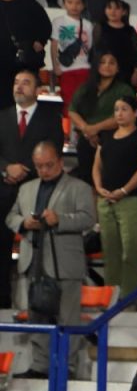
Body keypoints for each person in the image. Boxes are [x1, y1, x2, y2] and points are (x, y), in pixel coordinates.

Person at [4, 141, 93, 376]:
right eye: (39, 166)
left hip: (65, 263)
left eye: (49, 165)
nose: (44, 170)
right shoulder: (26, 188)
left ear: (60, 162)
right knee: (36, 315)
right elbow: (11, 216)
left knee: (68, 318)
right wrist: (24, 223)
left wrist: (60, 219)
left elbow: (88, 219)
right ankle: (40, 365)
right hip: (33, 260)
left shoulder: (79, 187)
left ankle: (68, 367)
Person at [0, 67, 65, 308]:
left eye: (26, 82)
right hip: (4, 189)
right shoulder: (3, 116)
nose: (19, 86)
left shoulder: (50, 119)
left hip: (36, 189)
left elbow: (55, 148)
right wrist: (7, 169)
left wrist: (25, 169)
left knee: (38, 248)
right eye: (16, 82)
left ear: (38, 90)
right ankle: (2, 301)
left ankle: (38, 302)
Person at [91, 96, 137, 305]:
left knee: (130, 252)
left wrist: (124, 190)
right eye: (116, 109)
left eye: (124, 109)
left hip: (131, 200)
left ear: (135, 113)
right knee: (110, 252)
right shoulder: (106, 137)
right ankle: (110, 298)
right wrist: (99, 188)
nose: (119, 113)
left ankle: (130, 299)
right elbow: (96, 166)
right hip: (106, 200)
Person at [66, 50, 135, 187]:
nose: (107, 66)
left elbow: (122, 117)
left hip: (112, 140)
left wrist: (95, 129)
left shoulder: (124, 90)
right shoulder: (86, 87)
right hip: (86, 139)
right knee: (85, 181)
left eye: (112, 63)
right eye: (103, 62)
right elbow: (72, 110)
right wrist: (87, 130)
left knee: (107, 182)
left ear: (118, 68)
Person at [0, 0, 51, 108]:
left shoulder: (28, 3)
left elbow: (45, 24)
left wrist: (40, 41)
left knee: (21, 98)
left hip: (22, 60)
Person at [48, 0, 90, 106]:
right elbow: (54, 45)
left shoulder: (88, 25)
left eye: (78, 3)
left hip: (85, 68)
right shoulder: (58, 22)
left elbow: (90, 48)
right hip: (66, 68)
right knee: (68, 100)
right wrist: (55, 66)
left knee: (83, 101)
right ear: (64, 4)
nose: (74, 6)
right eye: (70, 2)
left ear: (83, 5)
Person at [94, 0, 137, 85]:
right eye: (109, 8)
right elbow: (94, 50)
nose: (113, 11)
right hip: (105, 70)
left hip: (126, 71)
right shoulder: (100, 27)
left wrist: (136, 72)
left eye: (117, 8)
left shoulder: (130, 30)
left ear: (124, 12)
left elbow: (136, 53)